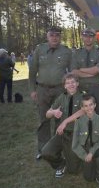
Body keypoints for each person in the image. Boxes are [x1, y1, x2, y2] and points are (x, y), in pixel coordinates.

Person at [29, 26, 72, 159]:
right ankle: (42, 149)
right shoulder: (39, 49)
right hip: (42, 90)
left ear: (60, 37)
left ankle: (56, 148)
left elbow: (71, 72)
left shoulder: (66, 51)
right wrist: (32, 90)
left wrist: (70, 89)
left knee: (59, 119)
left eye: (57, 35)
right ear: (47, 36)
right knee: (44, 119)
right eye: (51, 35)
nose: (54, 37)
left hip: (60, 89)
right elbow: (32, 70)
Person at [41, 74, 85, 178]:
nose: (71, 85)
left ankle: (79, 155)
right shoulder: (62, 97)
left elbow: (83, 111)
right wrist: (53, 112)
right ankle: (61, 164)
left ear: (77, 83)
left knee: (74, 170)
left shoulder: (83, 96)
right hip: (63, 132)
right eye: (68, 83)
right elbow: (47, 114)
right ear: (64, 86)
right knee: (46, 152)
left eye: (73, 82)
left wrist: (64, 121)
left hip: (77, 133)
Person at [72, 94, 99, 188]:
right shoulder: (78, 121)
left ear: (95, 105)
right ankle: (90, 164)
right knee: (89, 178)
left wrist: (92, 152)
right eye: (86, 106)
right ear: (82, 108)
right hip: (85, 149)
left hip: (97, 147)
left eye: (91, 104)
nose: (89, 108)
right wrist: (84, 155)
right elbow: (75, 143)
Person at [71, 27, 99, 117]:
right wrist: (91, 73)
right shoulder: (76, 53)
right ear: (82, 37)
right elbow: (74, 72)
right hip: (80, 88)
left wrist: (81, 70)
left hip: (96, 89)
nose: (88, 38)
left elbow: (97, 70)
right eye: (85, 36)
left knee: (98, 114)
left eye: (91, 36)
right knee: (80, 114)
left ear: (95, 38)